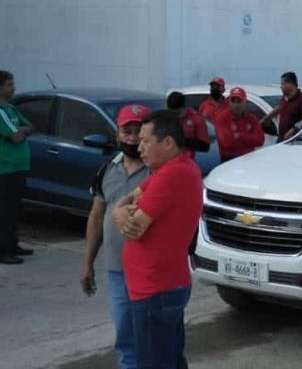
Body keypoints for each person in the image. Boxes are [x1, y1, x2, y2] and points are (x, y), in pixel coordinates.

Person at [112, 110, 203, 367]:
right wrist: (119, 210)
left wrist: (119, 214)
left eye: (145, 141)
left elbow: (133, 228)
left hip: (157, 288)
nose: (138, 147)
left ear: (168, 143)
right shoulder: (173, 169)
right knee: (168, 358)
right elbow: (129, 197)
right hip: (160, 286)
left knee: (154, 361)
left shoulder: (172, 176)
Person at [80, 104, 151, 368]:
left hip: (149, 271)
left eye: (138, 131)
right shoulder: (108, 168)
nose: (132, 138)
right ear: (117, 133)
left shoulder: (159, 171)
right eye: (127, 131)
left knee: (152, 337)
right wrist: (87, 264)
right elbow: (96, 217)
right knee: (124, 335)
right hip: (117, 270)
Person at [0, 70, 33, 265]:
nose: (13, 87)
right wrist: (19, 132)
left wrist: (19, 131)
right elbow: (16, 138)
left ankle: (12, 243)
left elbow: (30, 127)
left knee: (14, 208)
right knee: (4, 211)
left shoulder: (11, 109)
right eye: (9, 84)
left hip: (19, 166)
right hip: (5, 167)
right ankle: (2, 250)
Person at [215, 87, 264, 162]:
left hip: (250, 159)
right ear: (229, 102)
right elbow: (227, 143)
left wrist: (239, 136)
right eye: (233, 101)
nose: (236, 105)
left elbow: (260, 140)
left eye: (239, 101)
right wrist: (250, 140)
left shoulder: (252, 119)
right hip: (229, 160)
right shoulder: (222, 119)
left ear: (245, 102)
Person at [261, 72, 302, 142]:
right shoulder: (284, 98)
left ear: (290, 84)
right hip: (281, 138)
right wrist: (267, 118)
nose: (281, 86)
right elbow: (279, 108)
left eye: (283, 84)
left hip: (293, 139)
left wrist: (293, 130)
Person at [167, 91, 210, 159]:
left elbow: (205, 146)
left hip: (186, 161)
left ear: (184, 107)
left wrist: (185, 140)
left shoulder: (196, 119)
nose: (176, 116)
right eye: (172, 113)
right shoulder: (164, 118)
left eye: (178, 113)